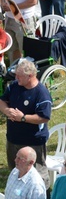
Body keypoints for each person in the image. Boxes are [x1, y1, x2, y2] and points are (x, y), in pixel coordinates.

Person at [0, 59, 51, 189]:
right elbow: (2, 101)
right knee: (15, 171)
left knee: (36, 175)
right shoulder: (14, 86)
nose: (16, 78)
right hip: (13, 139)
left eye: (19, 76)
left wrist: (22, 118)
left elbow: (43, 117)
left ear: (30, 76)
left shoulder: (41, 93)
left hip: (33, 142)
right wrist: (7, 110)